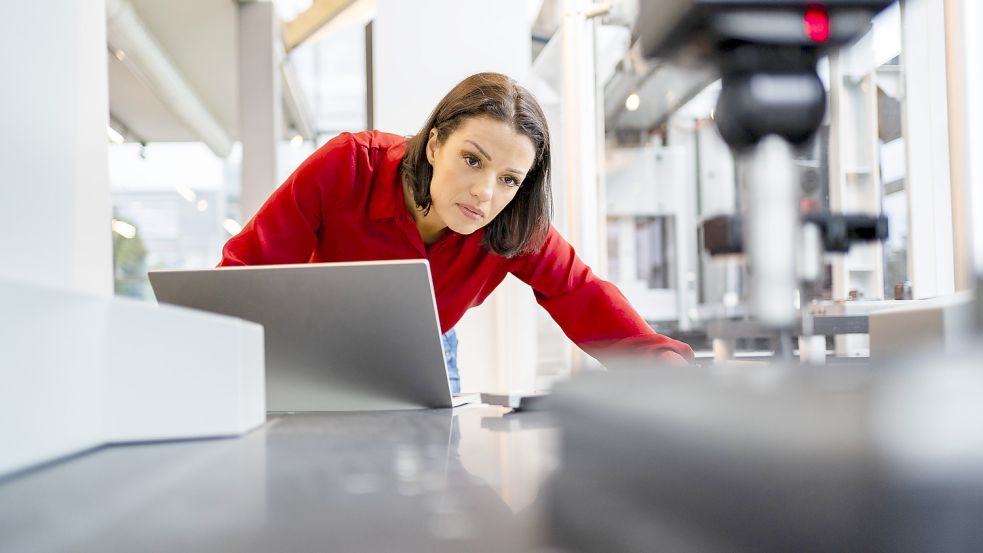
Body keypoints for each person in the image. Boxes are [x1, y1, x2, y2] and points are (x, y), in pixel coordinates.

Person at [219, 72, 694, 389]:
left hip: (428, 356)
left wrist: (668, 376)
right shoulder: (345, 167)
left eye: (509, 179)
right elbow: (244, 274)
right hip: (322, 354)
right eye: (472, 160)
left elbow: (582, 294)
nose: (485, 194)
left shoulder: (512, 224)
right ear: (433, 144)